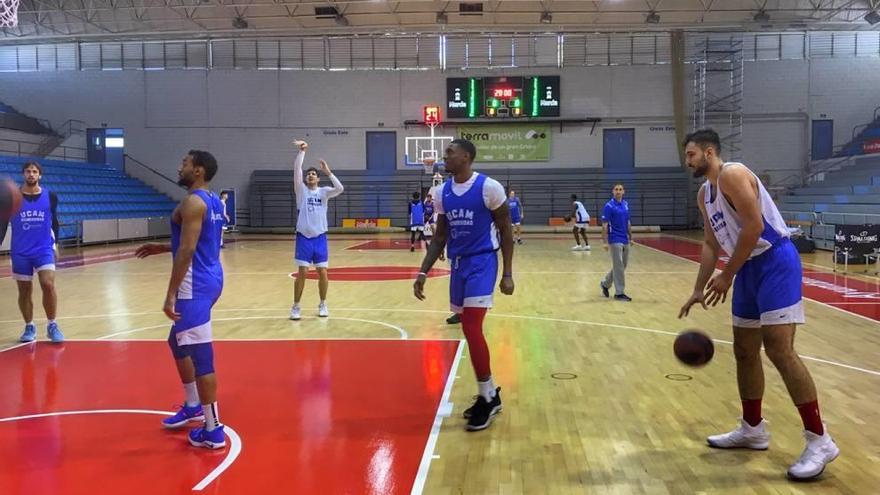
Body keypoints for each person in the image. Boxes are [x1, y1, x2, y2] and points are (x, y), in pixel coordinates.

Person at [678, 129, 838, 480]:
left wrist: (727, 276)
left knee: (780, 350)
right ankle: (752, 429)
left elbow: (753, 228)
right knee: (744, 351)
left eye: (690, 154)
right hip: (748, 267)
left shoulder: (733, 174)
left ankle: (819, 438)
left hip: (774, 261)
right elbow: (709, 243)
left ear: (709, 153)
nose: (686, 160)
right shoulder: (705, 194)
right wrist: (699, 287)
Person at [413, 138, 515, 431]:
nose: (444, 157)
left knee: (471, 326)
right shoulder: (442, 192)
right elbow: (440, 237)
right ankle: (490, 394)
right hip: (458, 265)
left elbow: (506, 231)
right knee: (467, 327)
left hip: (483, 262)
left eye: (449, 153)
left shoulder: (489, 188)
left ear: (466, 157)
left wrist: (507, 273)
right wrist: (422, 272)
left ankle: (487, 396)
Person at [134, 150, 227, 449]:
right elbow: (195, 241)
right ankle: (192, 404)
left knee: (202, 358)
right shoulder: (212, 201)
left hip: (193, 286)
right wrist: (163, 247)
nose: (180, 166)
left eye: (185, 163)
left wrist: (170, 295)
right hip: (211, 278)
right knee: (176, 341)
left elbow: (187, 251)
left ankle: (212, 430)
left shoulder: (192, 202)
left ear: (198, 171)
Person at [2, 162, 64, 343]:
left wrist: (56, 244)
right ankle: (29, 325)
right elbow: (3, 225)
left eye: (35, 171)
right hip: (20, 250)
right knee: (24, 290)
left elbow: (55, 222)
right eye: (28, 171)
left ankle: (52, 324)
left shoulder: (50, 196)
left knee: (48, 284)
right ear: (23, 174)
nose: (31, 174)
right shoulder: (12, 198)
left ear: (40, 175)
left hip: (43, 248)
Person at [289, 140, 344, 320]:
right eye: (309, 174)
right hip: (304, 237)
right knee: (303, 271)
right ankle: (296, 306)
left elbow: (340, 188)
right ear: (306, 179)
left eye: (314, 173)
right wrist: (302, 152)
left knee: (323, 272)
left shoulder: (324, 192)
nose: (311, 175)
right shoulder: (301, 191)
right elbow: (297, 170)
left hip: (319, 237)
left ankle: (323, 304)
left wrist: (328, 172)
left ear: (318, 179)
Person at [599, 184, 631, 301]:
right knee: (618, 266)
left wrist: (631, 238)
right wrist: (605, 241)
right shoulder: (609, 206)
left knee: (623, 265)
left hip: (625, 238)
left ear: (624, 192)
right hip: (614, 238)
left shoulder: (626, 205)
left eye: (620, 189)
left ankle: (605, 284)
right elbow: (604, 225)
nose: (618, 191)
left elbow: (628, 222)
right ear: (613, 192)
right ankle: (619, 293)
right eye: (616, 189)